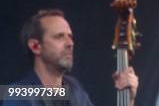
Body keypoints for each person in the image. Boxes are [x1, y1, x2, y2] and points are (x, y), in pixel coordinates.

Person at [4, 9, 139, 106]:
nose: (70, 43)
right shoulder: (17, 95)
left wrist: (129, 99)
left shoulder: (74, 89)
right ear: (35, 46)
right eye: (59, 36)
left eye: (70, 37)